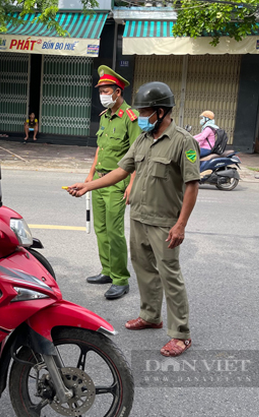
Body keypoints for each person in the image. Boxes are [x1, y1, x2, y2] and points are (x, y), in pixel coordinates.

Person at [67, 82, 200, 357]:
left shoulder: (182, 142)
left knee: (169, 275)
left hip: (165, 221)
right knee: (144, 270)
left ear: (160, 112)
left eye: (145, 111)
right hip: (139, 216)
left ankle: (181, 334)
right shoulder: (142, 139)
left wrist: (181, 224)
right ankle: (151, 316)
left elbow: (191, 185)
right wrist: (87, 185)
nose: (140, 115)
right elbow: (121, 170)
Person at [86, 65, 141, 300]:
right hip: (100, 180)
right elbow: (101, 148)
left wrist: (131, 184)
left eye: (106, 91)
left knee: (115, 231)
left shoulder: (131, 118)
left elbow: (138, 153)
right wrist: (90, 174)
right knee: (100, 229)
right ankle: (107, 271)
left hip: (118, 182)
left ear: (118, 92)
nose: (102, 95)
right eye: (100, 91)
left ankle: (120, 279)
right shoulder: (106, 117)